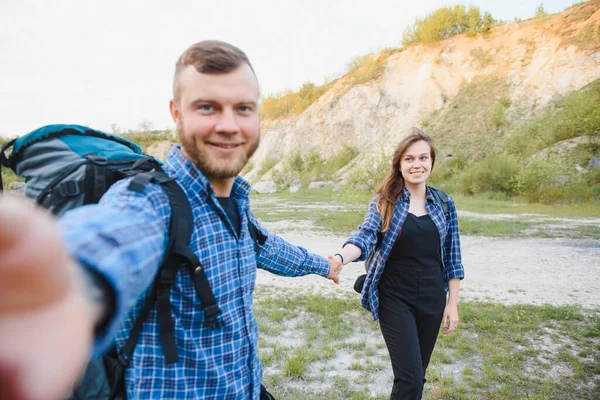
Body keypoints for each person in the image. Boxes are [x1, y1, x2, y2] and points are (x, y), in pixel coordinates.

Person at [0, 40, 342, 400]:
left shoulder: (236, 202)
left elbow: (266, 246)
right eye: (207, 107)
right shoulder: (149, 200)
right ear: (176, 113)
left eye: (243, 108)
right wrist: (55, 289)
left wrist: (325, 264)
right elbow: (112, 241)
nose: (228, 125)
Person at [329, 128, 464, 399]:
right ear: (399, 165)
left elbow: (453, 257)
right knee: (411, 378)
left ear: (432, 162)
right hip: (394, 296)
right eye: (409, 159)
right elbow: (364, 236)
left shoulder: (443, 203)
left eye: (423, 158)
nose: (417, 164)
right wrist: (341, 257)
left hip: (432, 297)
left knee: (415, 377)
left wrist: (452, 304)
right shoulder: (385, 201)